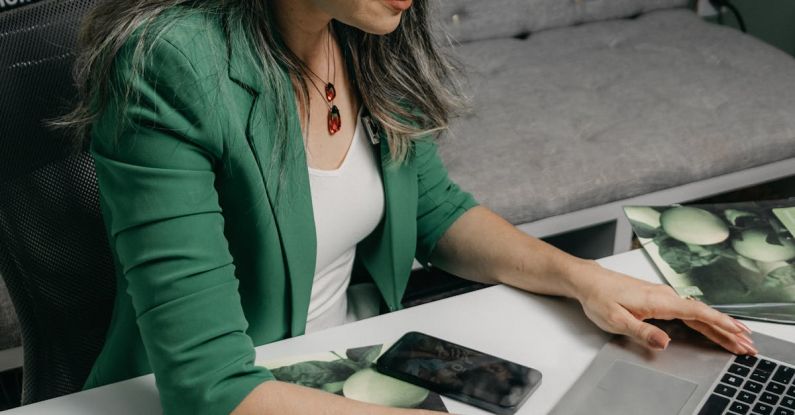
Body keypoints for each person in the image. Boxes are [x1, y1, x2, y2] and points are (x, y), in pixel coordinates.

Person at [62, 0, 756, 414]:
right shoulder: (171, 63)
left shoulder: (361, 33)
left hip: (340, 362)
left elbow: (434, 210)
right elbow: (209, 387)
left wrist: (586, 279)